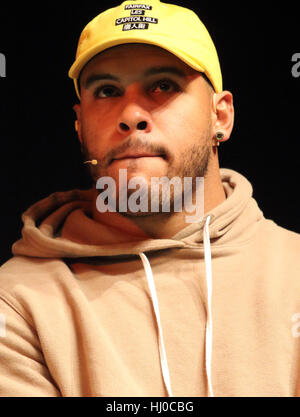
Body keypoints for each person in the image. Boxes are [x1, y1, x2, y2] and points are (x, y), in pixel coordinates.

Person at [0, 0, 299, 397]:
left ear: (220, 117)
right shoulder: (17, 302)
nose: (132, 115)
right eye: (107, 91)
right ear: (79, 125)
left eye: (163, 85)